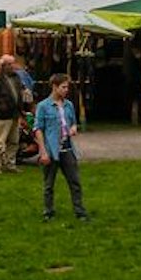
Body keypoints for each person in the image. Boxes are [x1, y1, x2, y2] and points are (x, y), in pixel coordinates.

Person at [35, 72, 88, 221]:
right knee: (49, 184)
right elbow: (38, 129)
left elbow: (72, 122)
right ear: (54, 87)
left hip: (67, 148)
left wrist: (73, 128)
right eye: (63, 87)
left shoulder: (69, 105)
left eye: (67, 87)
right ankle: (48, 212)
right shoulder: (43, 106)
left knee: (75, 182)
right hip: (51, 150)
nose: (66, 90)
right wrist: (43, 151)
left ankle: (80, 211)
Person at [0, 55, 26, 173]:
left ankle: (10, 163)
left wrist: (22, 111)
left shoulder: (16, 78)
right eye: (9, 64)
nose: (12, 66)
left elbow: (21, 93)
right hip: (1, 114)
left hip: (14, 114)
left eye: (13, 63)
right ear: (2, 66)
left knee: (14, 141)